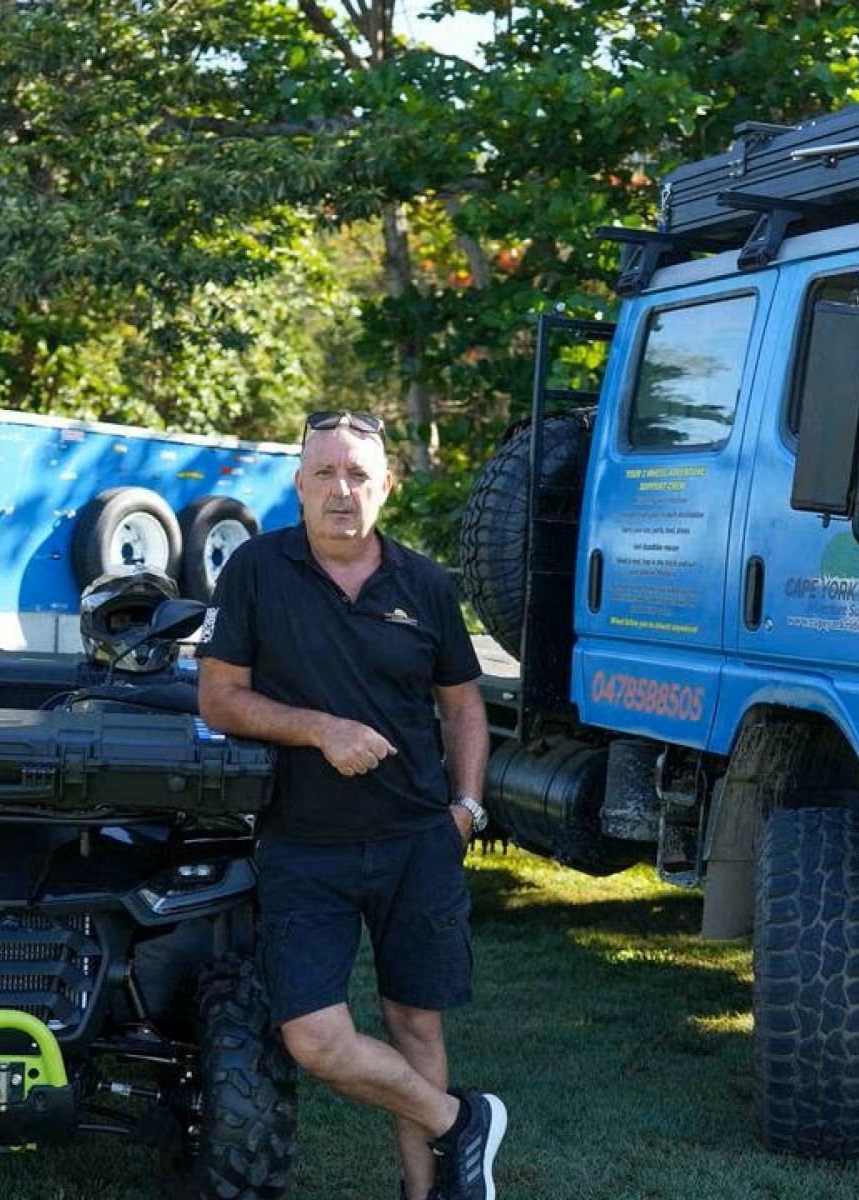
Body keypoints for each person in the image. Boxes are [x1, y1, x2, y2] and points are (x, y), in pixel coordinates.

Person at [197, 410, 506, 1200]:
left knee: (415, 1023)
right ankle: (460, 1123)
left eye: (359, 475)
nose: (342, 490)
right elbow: (220, 699)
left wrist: (466, 807)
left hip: (415, 839)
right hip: (303, 844)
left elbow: (462, 706)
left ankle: (427, 1190)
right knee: (314, 1038)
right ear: (298, 486)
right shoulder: (257, 572)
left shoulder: (425, 585)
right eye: (326, 474)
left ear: (386, 488)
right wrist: (318, 730)